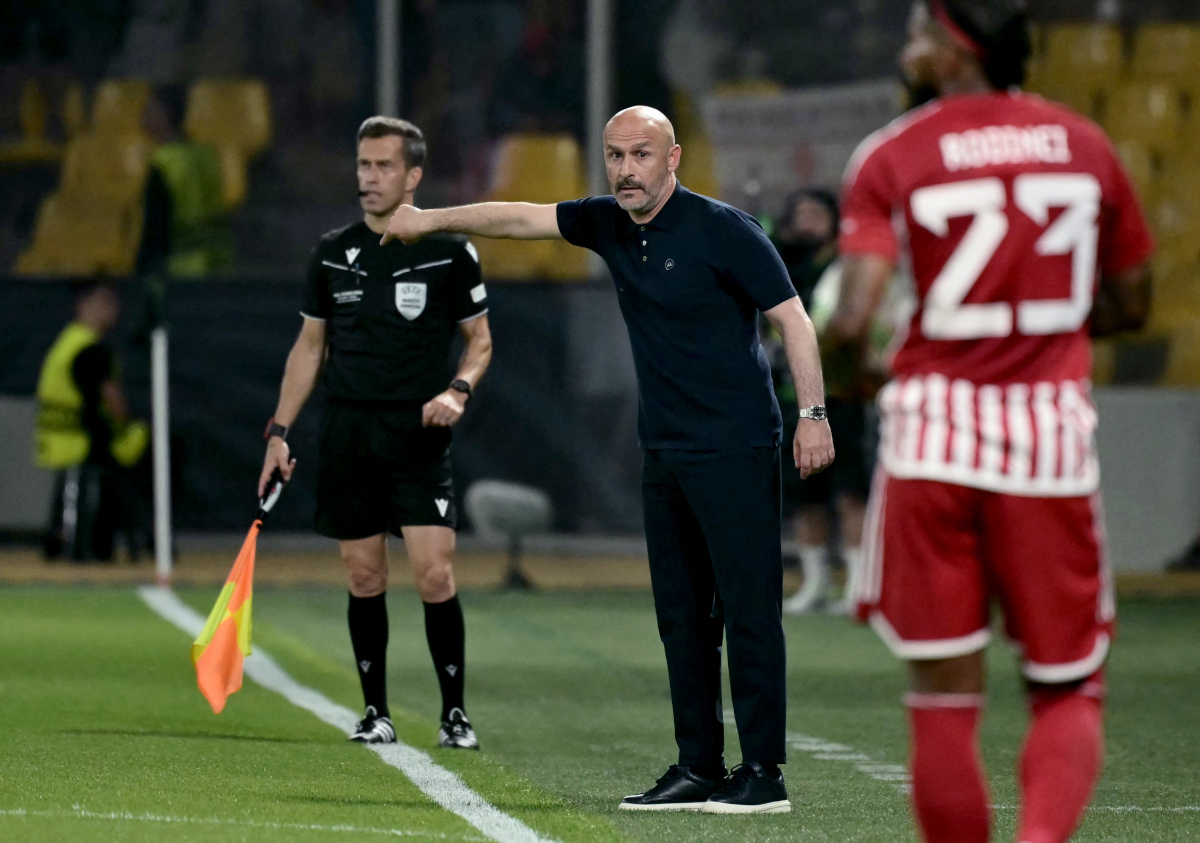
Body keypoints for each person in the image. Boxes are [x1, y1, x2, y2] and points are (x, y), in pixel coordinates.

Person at [382, 105, 835, 814]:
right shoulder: (607, 221)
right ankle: (698, 765)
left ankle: (764, 773)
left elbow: (794, 319)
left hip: (738, 444)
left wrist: (812, 415)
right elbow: (519, 217)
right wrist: (429, 219)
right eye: (615, 156)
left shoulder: (724, 230)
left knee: (749, 609)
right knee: (681, 616)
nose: (626, 169)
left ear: (673, 158)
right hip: (665, 449)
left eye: (640, 155)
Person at [827, 2, 1154, 842]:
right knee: (1067, 684)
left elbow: (854, 315)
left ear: (954, 48)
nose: (907, 48)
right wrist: (1042, 325)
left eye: (918, 33)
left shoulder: (893, 152)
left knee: (942, 697)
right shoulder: (1085, 145)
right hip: (1048, 445)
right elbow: (1130, 300)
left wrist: (846, 383)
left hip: (932, 441)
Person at [259, 117, 493, 749]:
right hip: (348, 433)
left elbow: (480, 343)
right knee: (363, 576)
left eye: (384, 166)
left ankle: (454, 714)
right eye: (364, 165)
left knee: (434, 575)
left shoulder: (450, 249)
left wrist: (457, 390)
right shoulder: (333, 250)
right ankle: (375, 712)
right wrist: (280, 432)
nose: (369, 177)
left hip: (416, 434)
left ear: (413, 176)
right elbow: (309, 349)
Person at [767, 188, 872, 615]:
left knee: (849, 490)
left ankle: (860, 588)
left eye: (817, 213)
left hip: (842, 395)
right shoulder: (781, 266)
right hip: (791, 397)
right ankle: (814, 585)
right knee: (803, 492)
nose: (808, 221)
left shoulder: (849, 267)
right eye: (801, 212)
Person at [35, 279, 149, 561]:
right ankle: (109, 543)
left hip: (62, 434)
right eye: (104, 302)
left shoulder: (68, 340)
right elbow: (115, 404)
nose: (112, 310)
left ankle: (96, 542)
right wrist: (128, 425)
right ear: (83, 306)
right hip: (78, 440)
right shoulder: (89, 349)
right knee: (142, 449)